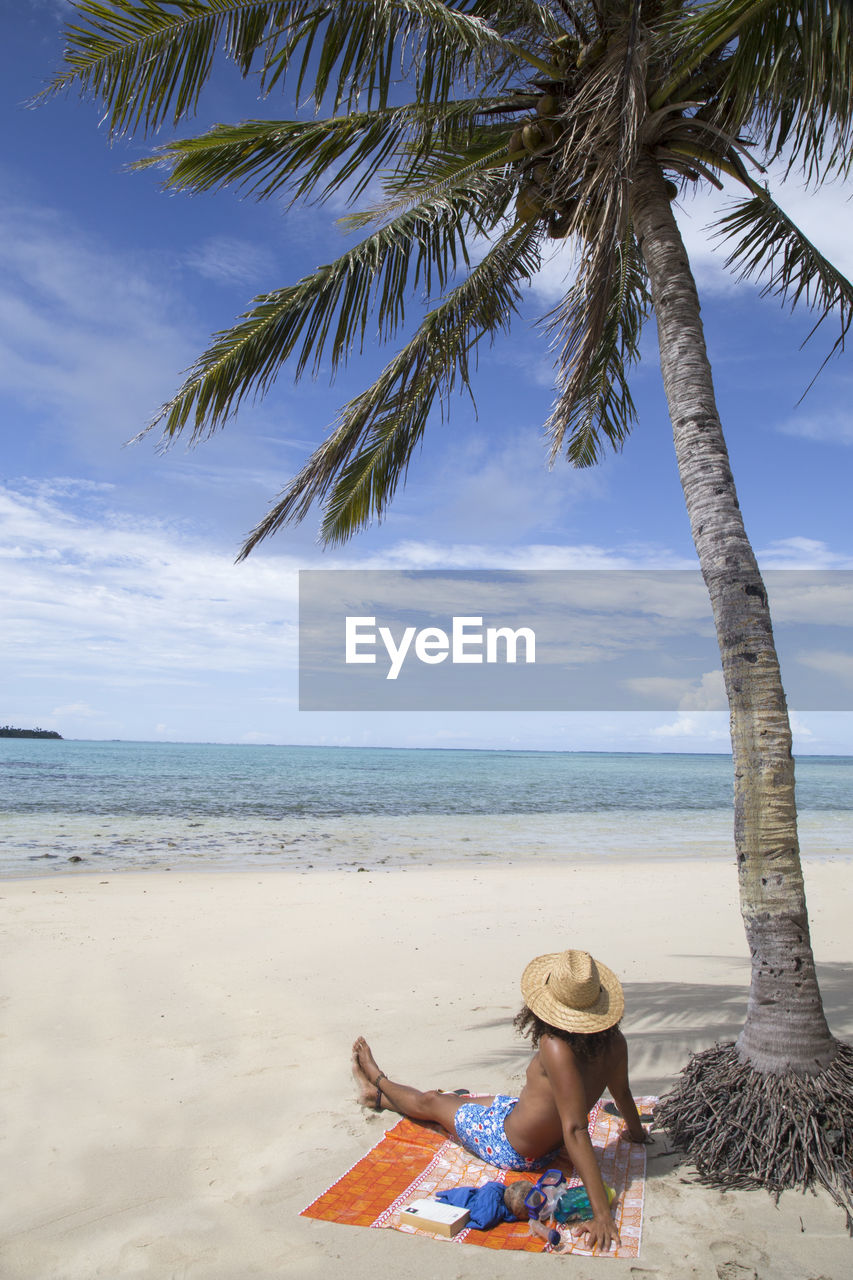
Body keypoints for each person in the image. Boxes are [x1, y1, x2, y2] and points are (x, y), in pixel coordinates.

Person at [352, 948, 652, 1252]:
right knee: (462, 1102)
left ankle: (378, 1082)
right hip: (520, 1121)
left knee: (431, 1101)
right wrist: (637, 1134)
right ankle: (381, 1096)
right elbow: (622, 1093)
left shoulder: (556, 1046)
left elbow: (575, 1128)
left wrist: (602, 1215)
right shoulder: (615, 1043)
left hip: (512, 1145)